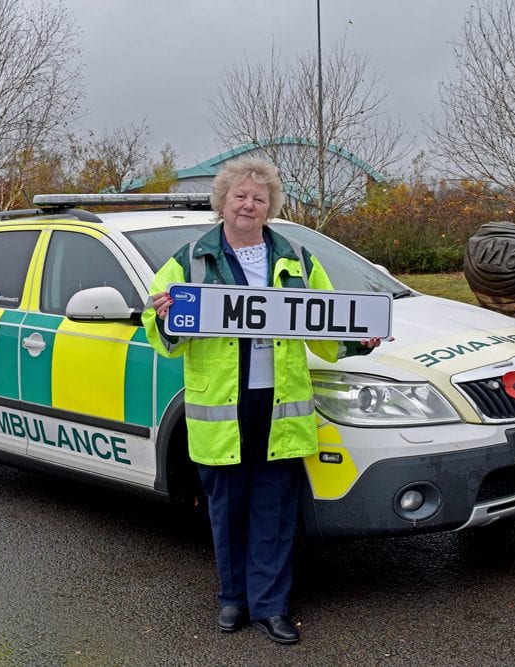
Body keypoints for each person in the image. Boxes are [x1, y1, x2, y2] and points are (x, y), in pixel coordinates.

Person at [143, 157, 381, 645]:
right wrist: (164, 316)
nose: (249, 204)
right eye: (240, 196)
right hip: (221, 407)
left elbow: (327, 325)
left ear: (270, 206)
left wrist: (360, 339)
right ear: (223, 202)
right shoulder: (189, 259)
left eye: (259, 198)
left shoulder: (295, 257)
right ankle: (233, 600)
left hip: (281, 404)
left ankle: (272, 607)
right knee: (226, 508)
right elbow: (164, 335)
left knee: (272, 510)